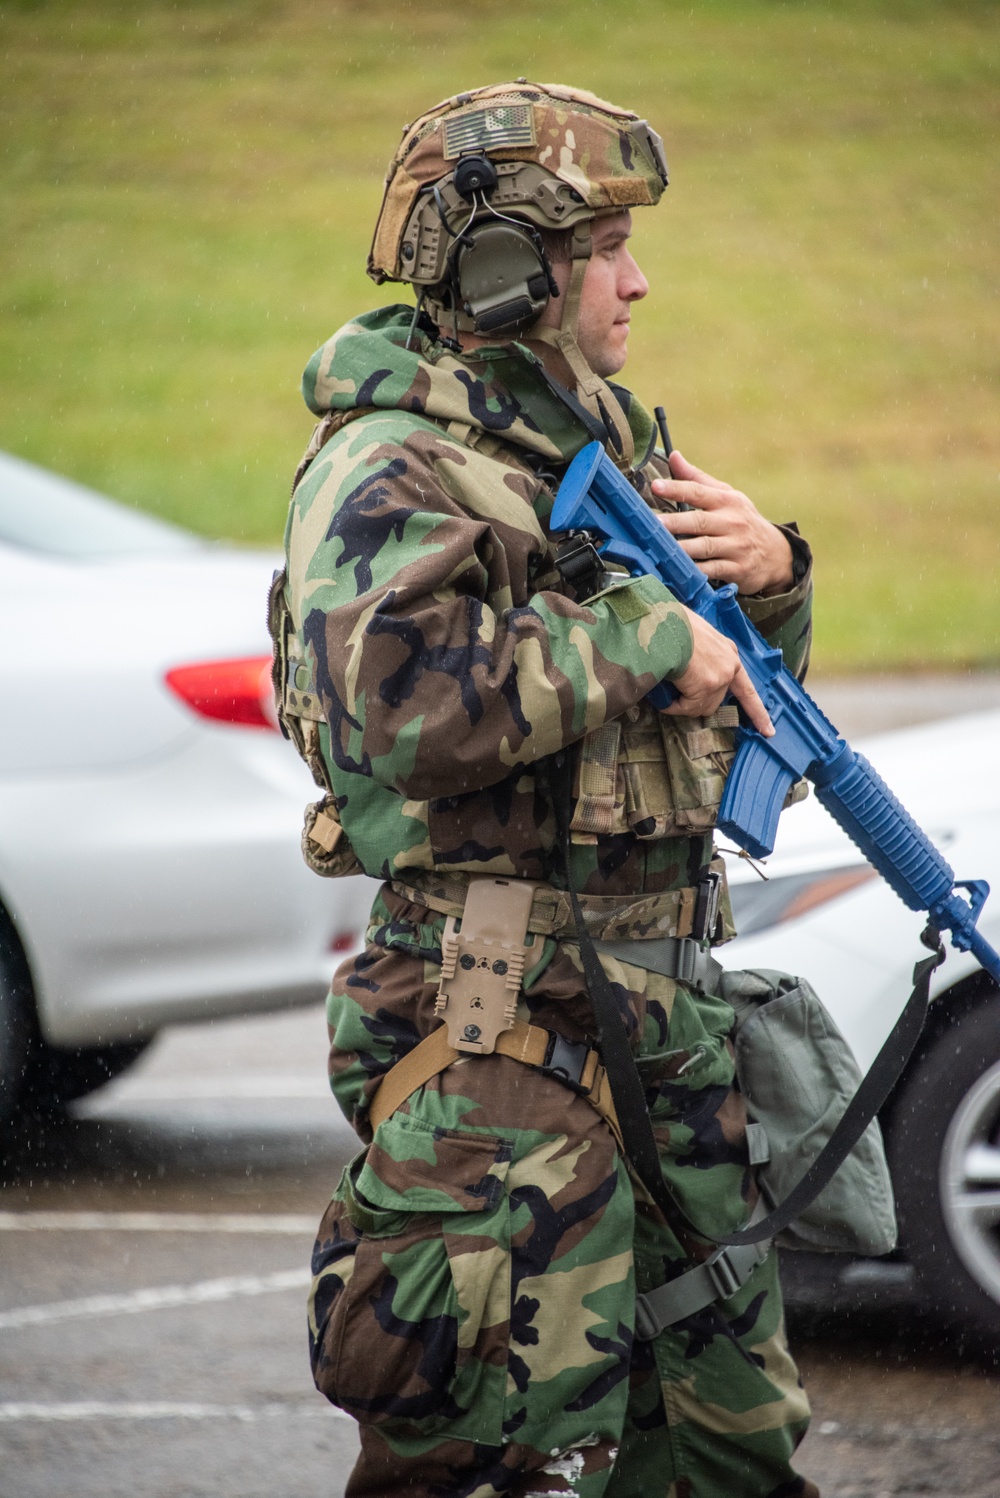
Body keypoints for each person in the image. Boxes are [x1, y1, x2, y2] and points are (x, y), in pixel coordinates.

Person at [271, 81, 818, 1498]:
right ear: (512, 264)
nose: (637, 279)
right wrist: (641, 639)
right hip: (498, 1056)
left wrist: (770, 580)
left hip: (662, 1038)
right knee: (478, 1462)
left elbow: (725, 693)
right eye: (604, 248)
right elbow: (394, 704)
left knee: (726, 1449)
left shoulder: (599, 438)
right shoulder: (394, 460)